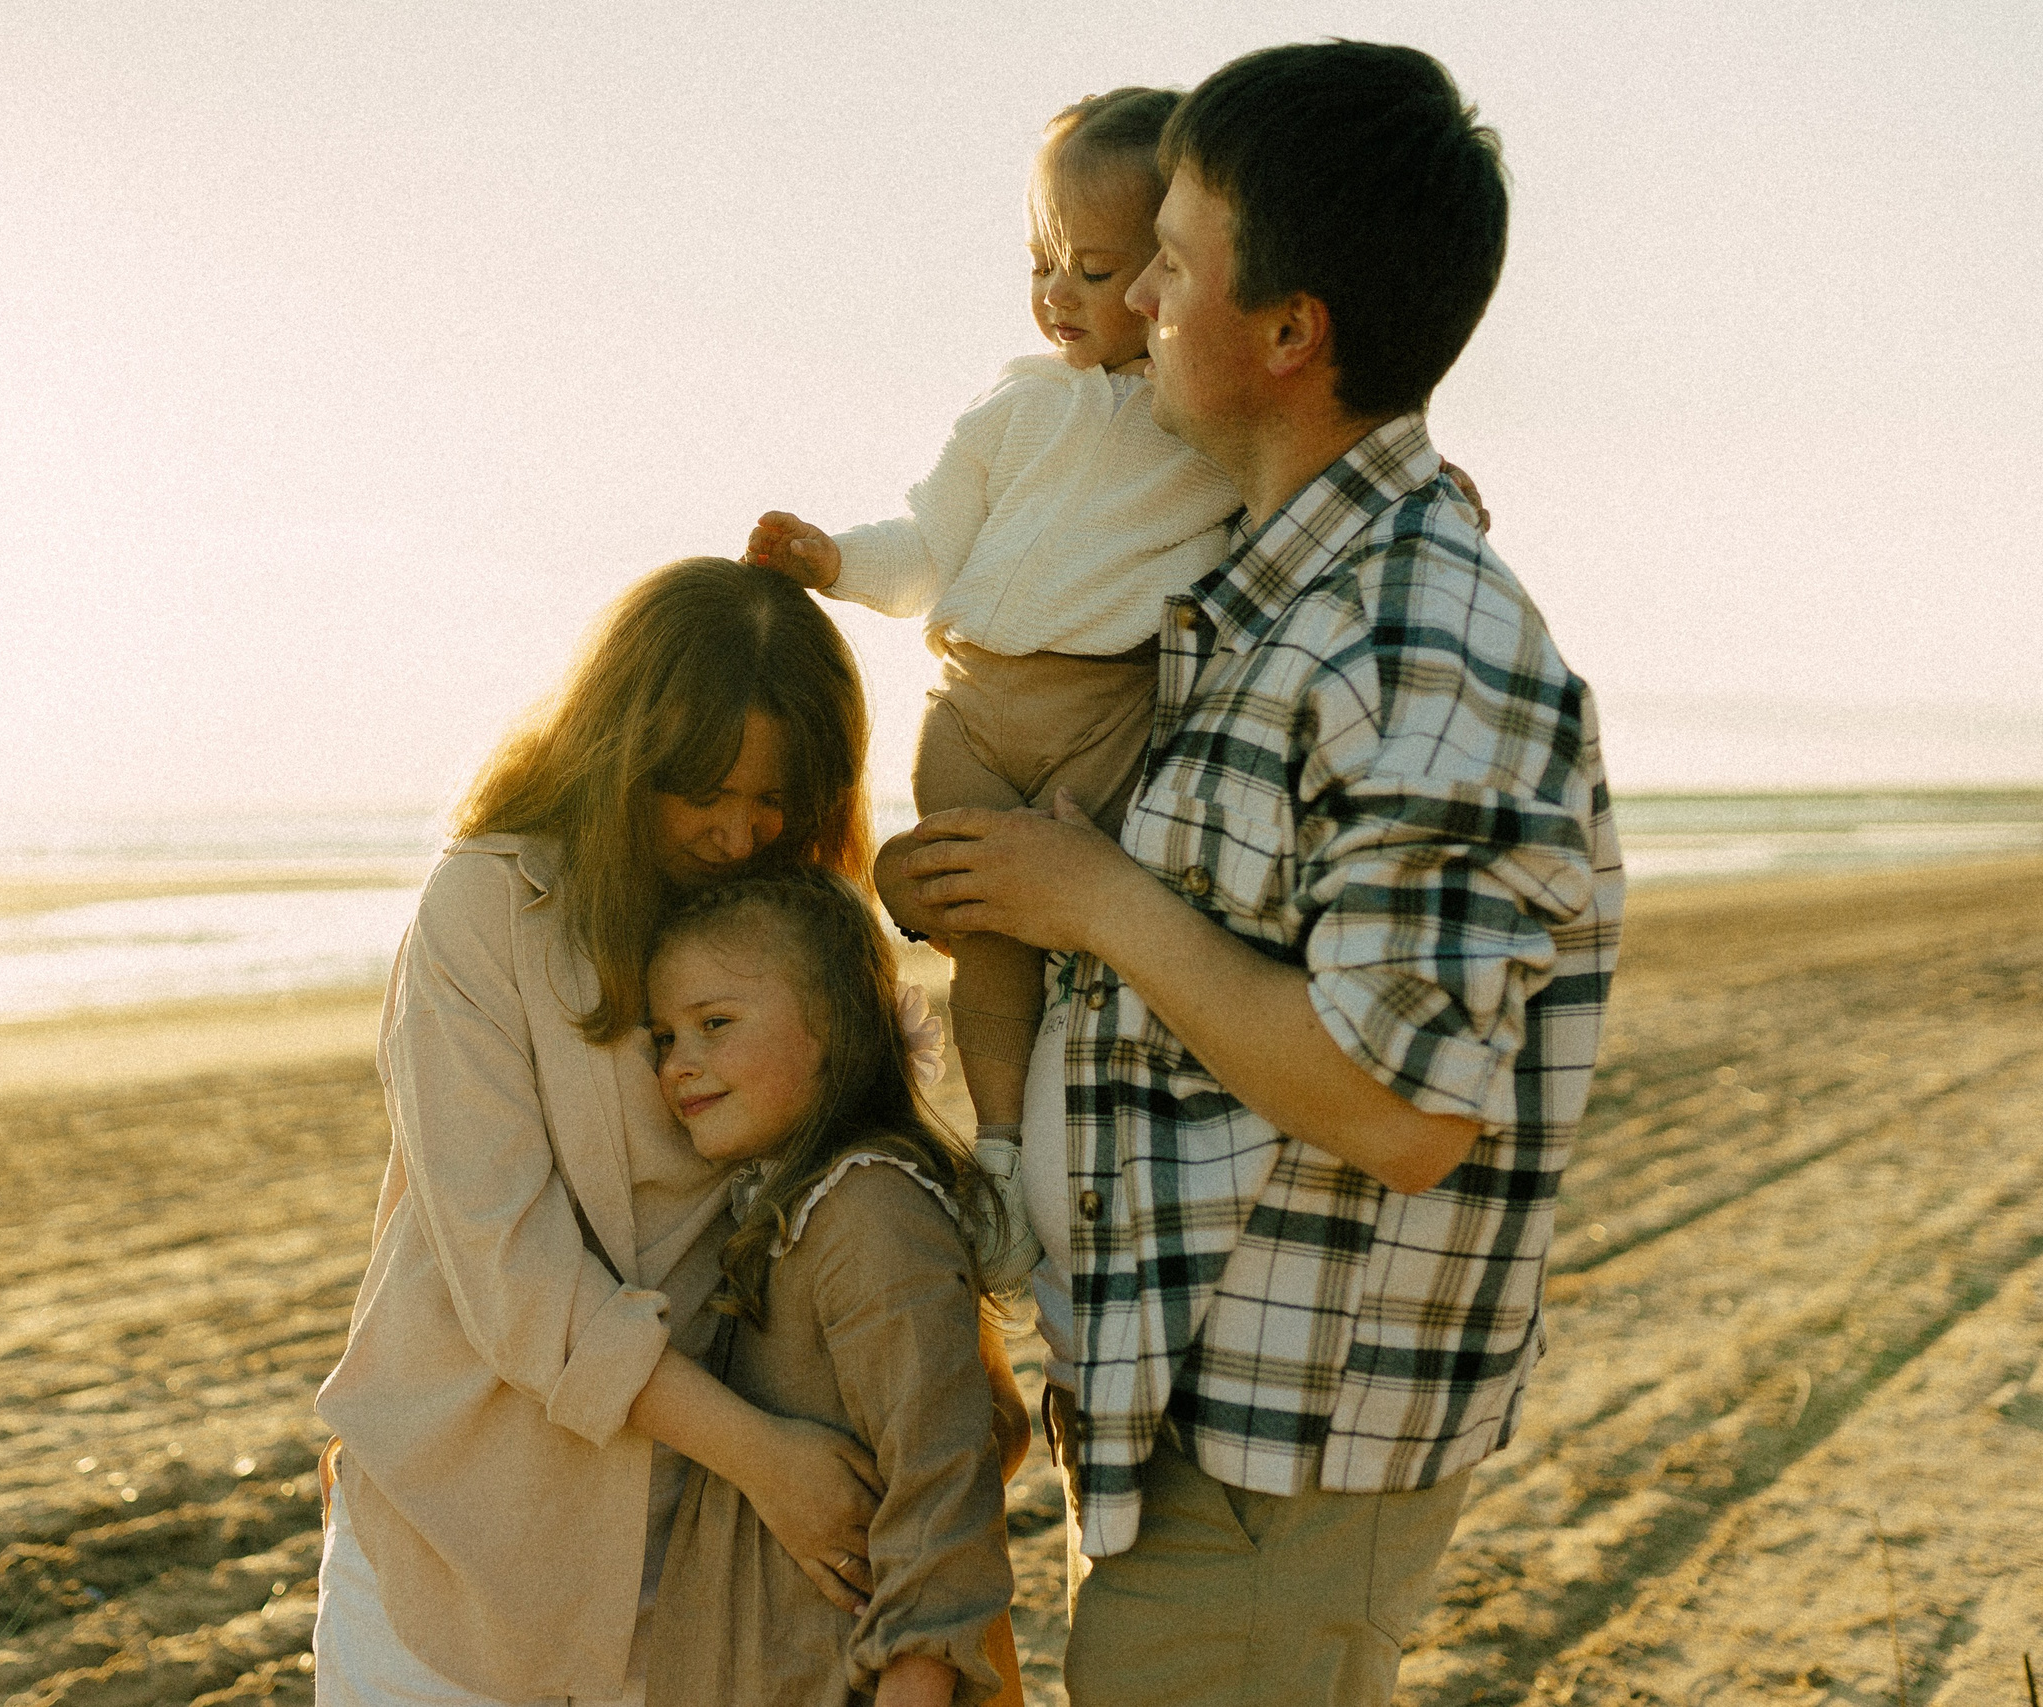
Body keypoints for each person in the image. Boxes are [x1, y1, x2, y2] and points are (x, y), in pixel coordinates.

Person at [886, 43, 1627, 1707]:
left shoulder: (1411, 629)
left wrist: (1092, 901)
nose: (1137, 295)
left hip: (1285, 1469)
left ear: (1291, 331)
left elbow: (1400, 1106)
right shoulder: (1264, 603)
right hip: (1193, 1435)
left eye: (1173, 254)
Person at [314, 558, 910, 1707]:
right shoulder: (488, 904)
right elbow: (505, 1265)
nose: (739, 831)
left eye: (777, 797)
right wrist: (759, 1455)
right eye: (704, 792)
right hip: (462, 1542)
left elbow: (869, 1189)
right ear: (624, 749)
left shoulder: (810, 932)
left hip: (704, 1563)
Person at [743, 87, 1242, 1164]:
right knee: (988, 939)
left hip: (1109, 711)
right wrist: (836, 561)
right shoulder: (1012, 406)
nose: (1056, 293)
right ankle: (1003, 1146)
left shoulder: (1205, 415)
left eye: (1092, 269)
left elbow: (1301, 488)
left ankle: (1080, 1127)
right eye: (1040, 262)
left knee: (1101, 919)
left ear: (1169, 264)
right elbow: (929, 545)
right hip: (971, 708)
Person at [641, 869, 1020, 1707]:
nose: (678, 1064)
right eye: (664, 1036)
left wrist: (914, 1683)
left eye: (714, 1023)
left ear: (834, 1028)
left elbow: (941, 1492)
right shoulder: (773, 1210)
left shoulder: (870, 1213)